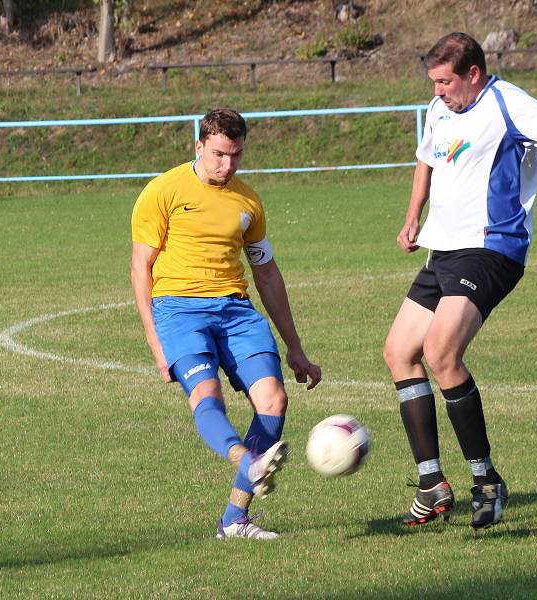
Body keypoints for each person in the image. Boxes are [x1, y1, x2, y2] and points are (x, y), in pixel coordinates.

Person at [382, 32, 537, 530]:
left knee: (441, 354)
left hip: (491, 248)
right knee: (399, 352)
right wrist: (413, 216)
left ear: (473, 74)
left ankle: (486, 480)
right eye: (433, 81)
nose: (437, 91)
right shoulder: (441, 109)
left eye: (444, 81)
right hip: (445, 249)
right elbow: (426, 159)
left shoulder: (507, 102)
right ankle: (432, 482)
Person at [131, 108, 321, 540]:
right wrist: (154, 342)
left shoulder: (248, 201)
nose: (227, 165)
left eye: (235, 156)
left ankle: (235, 519)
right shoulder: (163, 191)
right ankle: (244, 459)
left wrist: (295, 347)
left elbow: (267, 272)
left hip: (235, 310)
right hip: (178, 310)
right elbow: (140, 268)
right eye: (218, 154)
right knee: (207, 392)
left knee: (273, 400)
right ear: (198, 146)